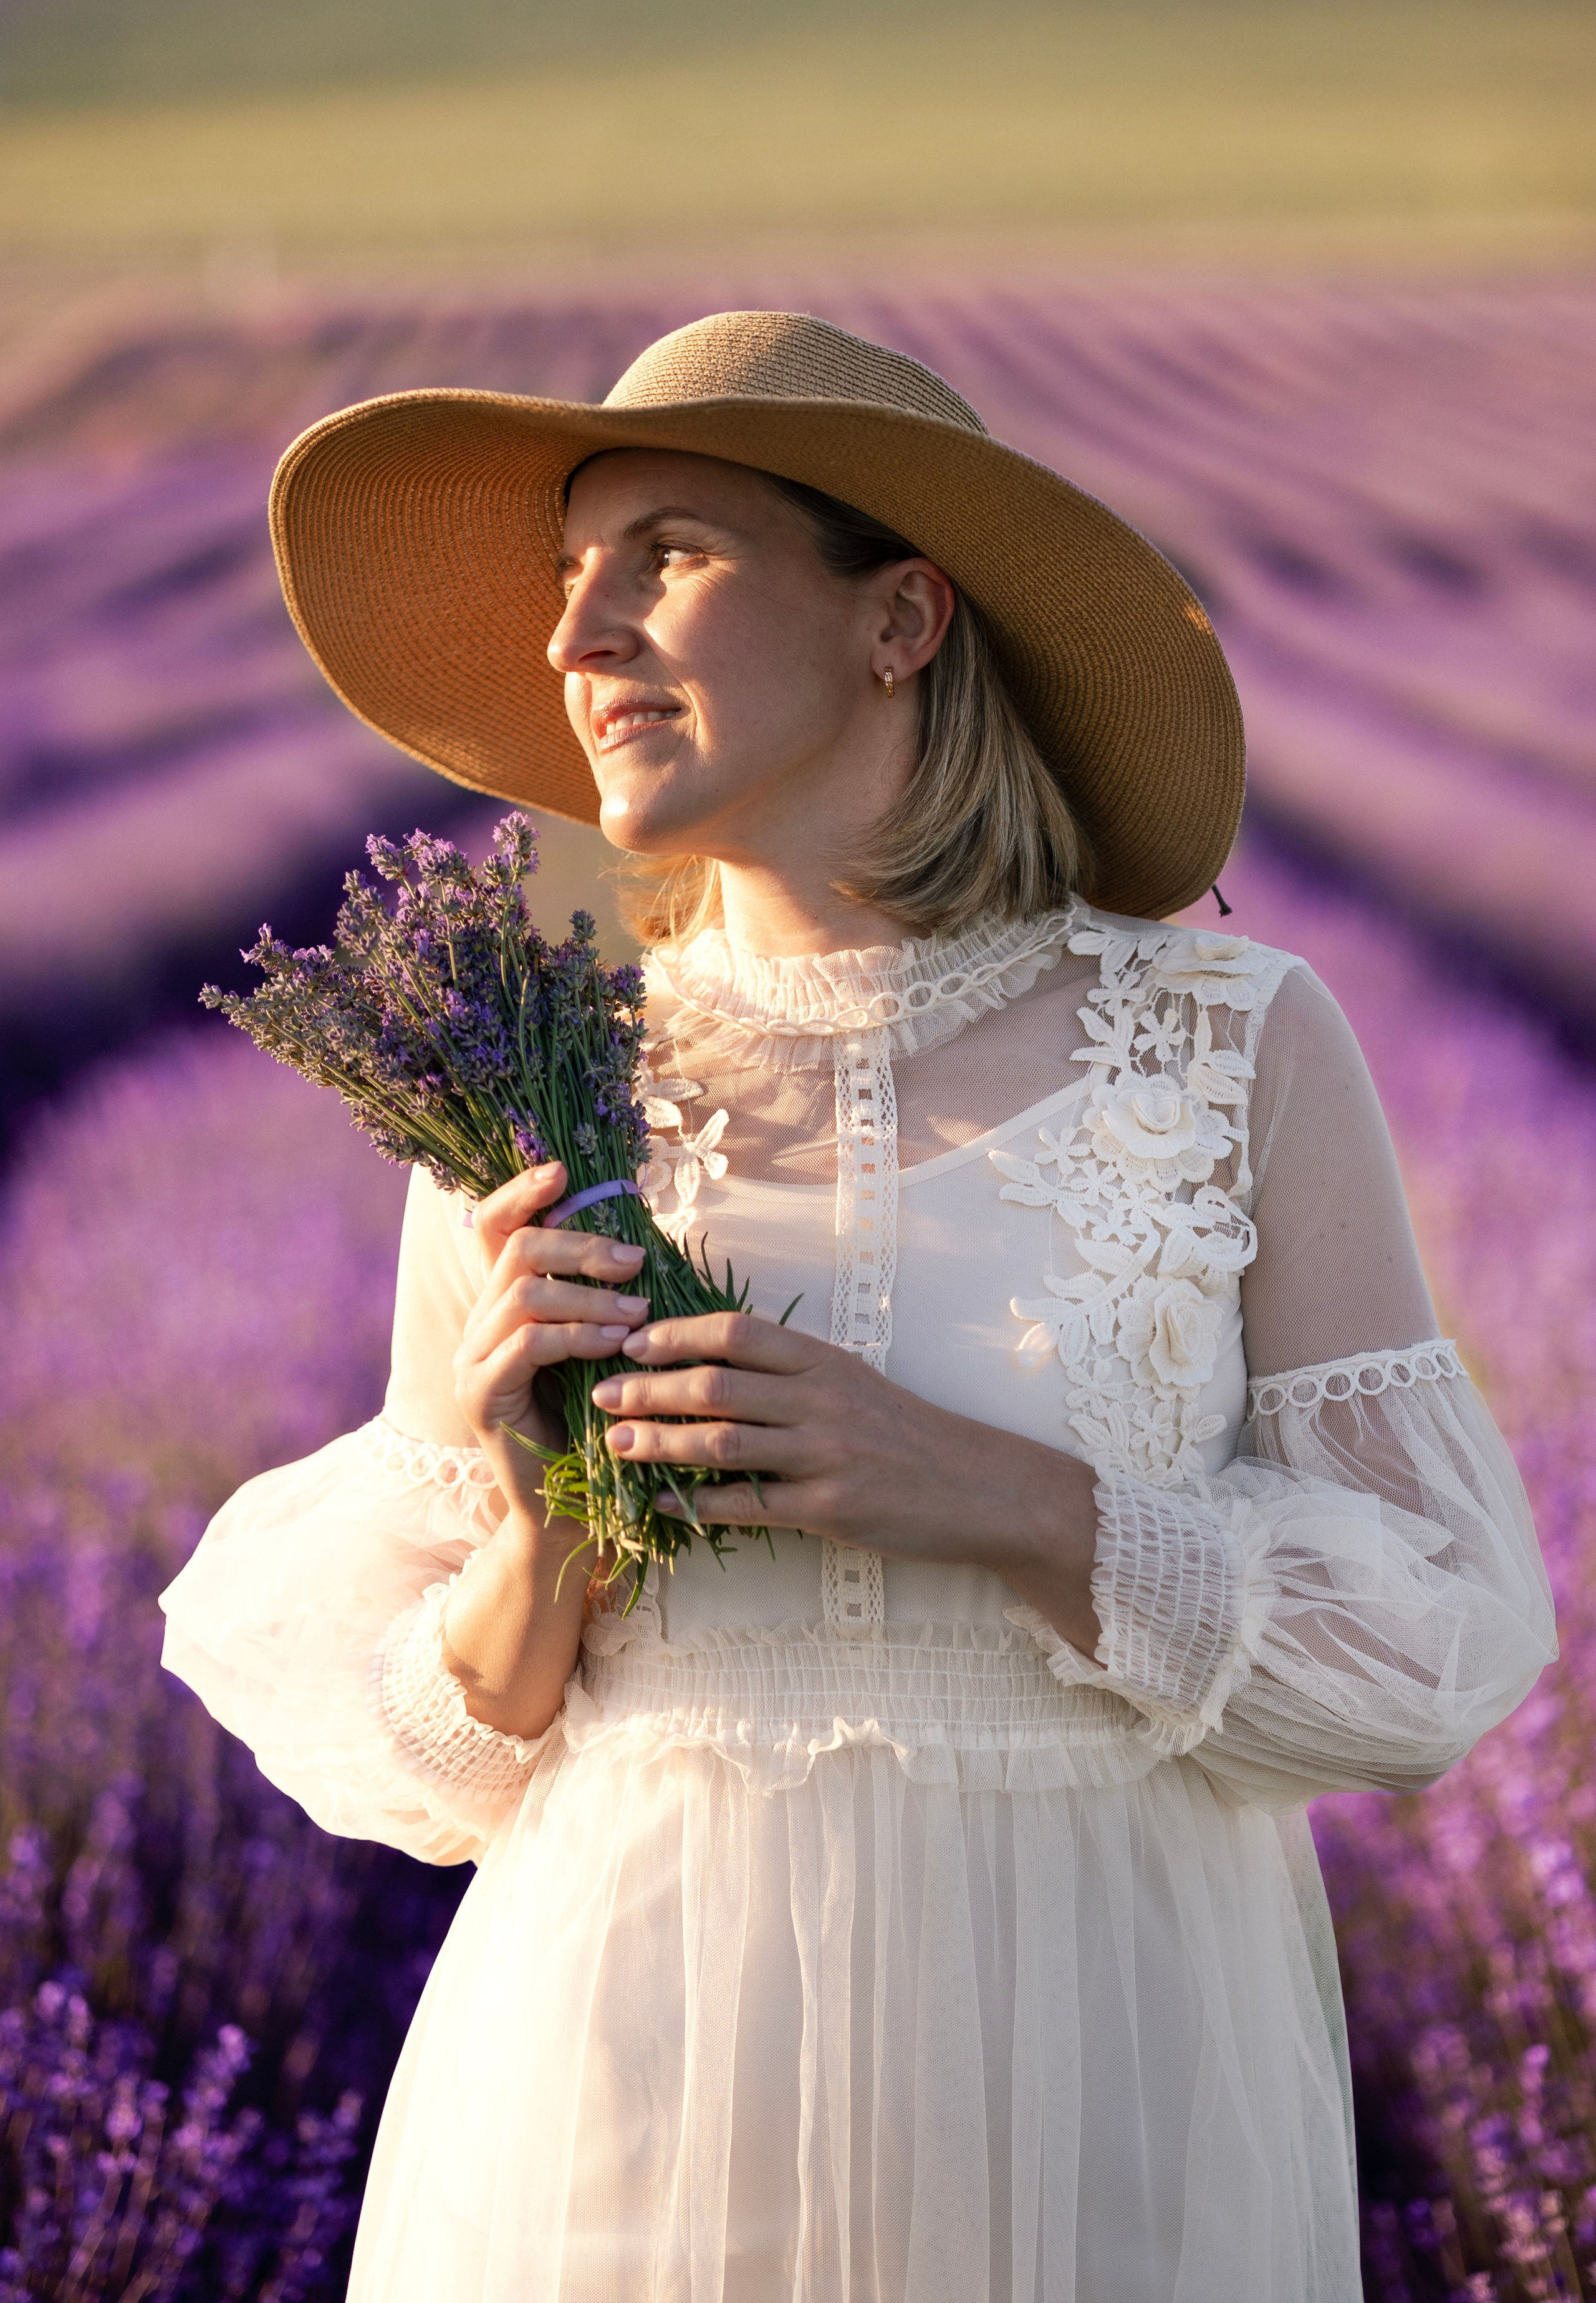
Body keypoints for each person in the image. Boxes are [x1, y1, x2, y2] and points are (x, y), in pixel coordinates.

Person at [160, 311, 1554, 2302]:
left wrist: (983, 1490)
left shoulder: (1229, 1045)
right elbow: (448, 1765)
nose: (578, 640)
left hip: (1110, 2063)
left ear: (900, 620)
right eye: (573, 579)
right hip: (627, 2064)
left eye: (670, 555)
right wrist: (541, 1511)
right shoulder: (533, 1078)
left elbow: (1437, 1626)